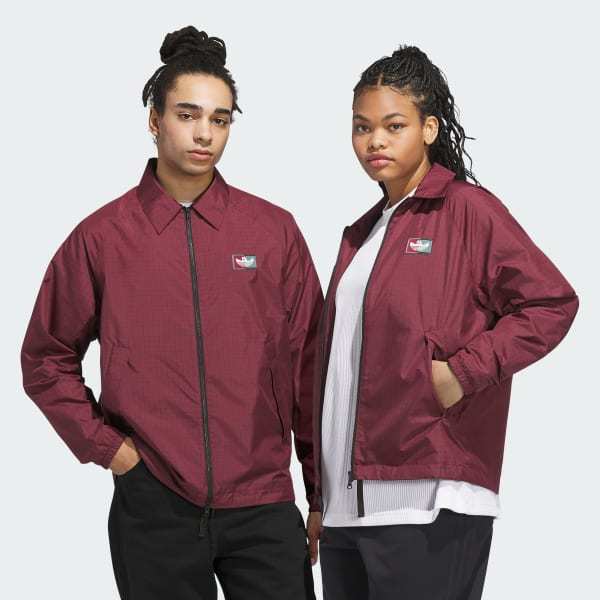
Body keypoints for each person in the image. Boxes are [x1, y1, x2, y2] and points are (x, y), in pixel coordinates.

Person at [20, 25, 322, 600]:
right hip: (154, 503)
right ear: (155, 121)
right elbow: (45, 359)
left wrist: (318, 491)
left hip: (262, 502)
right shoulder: (103, 238)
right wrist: (112, 452)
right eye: (188, 115)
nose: (205, 133)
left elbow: (312, 366)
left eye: (220, 119)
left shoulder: (273, 231)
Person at [311, 45, 579, 599]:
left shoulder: (467, 210)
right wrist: (320, 496)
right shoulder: (360, 234)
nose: (375, 141)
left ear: (429, 128)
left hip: (429, 494)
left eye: (394, 125)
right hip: (345, 508)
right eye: (362, 127)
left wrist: (464, 372)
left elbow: (551, 302)